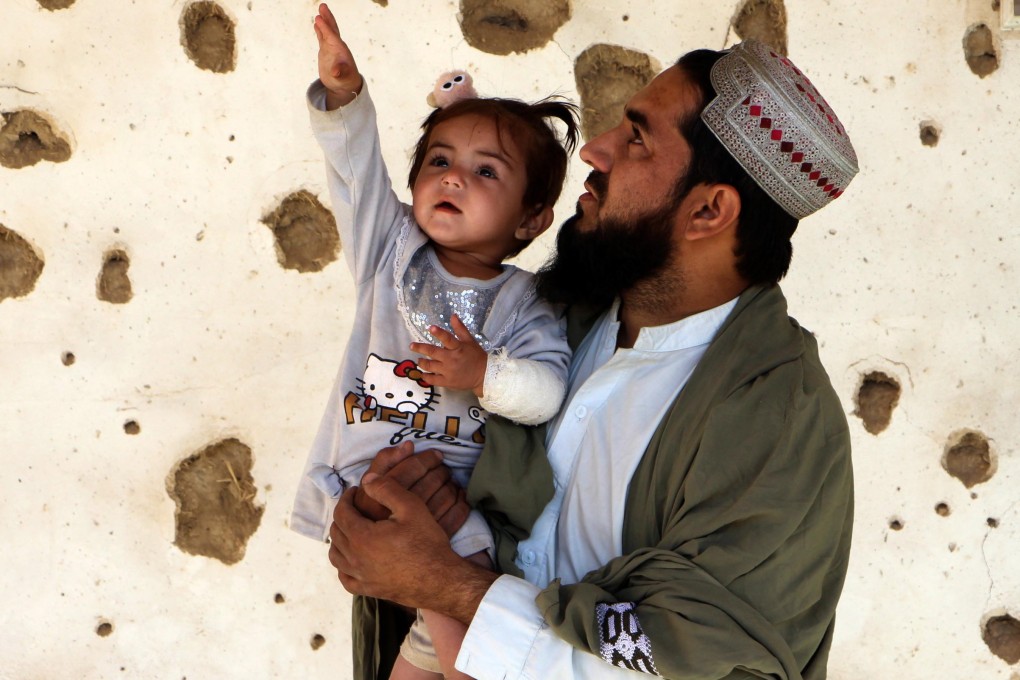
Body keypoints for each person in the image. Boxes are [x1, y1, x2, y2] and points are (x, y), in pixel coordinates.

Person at [328, 37, 860, 680]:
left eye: (636, 139)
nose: (595, 151)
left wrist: (447, 587)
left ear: (708, 210)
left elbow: (699, 662)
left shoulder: (776, 418)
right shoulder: (549, 319)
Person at [291, 4, 581, 679]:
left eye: (486, 172)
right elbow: (356, 175)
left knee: (451, 608)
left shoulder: (524, 303)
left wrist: (485, 374)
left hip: (455, 505)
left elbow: (545, 392)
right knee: (418, 603)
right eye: (440, 160)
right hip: (361, 485)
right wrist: (344, 97)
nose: (453, 177)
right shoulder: (391, 253)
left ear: (531, 219)